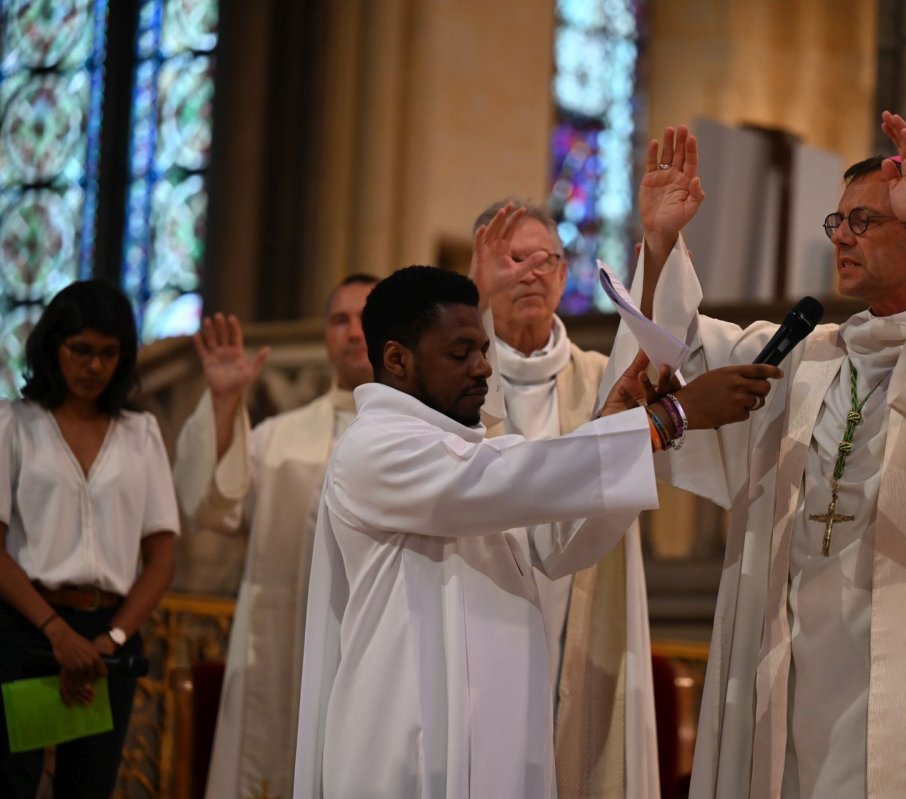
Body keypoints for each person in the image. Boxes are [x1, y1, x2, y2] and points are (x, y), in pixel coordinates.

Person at [602, 112, 906, 798]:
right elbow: (673, 350)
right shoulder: (805, 357)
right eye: (837, 222)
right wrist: (661, 242)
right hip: (782, 672)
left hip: (895, 683)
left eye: (865, 221)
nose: (842, 236)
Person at [293, 262, 780, 798]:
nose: (482, 368)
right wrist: (668, 418)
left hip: (497, 738)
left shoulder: (466, 454)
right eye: (460, 354)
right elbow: (505, 480)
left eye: (483, 349)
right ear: (396, 360)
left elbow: (554, 543)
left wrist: (609, 427)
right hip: (404, 745)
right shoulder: (375, 447)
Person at [471, 198, 658, 797]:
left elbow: (665, 347)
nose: (528, 272)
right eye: (509, 258)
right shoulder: (454, 379)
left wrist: (659, 253)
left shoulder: (605, 377)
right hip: (484, 608)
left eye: (542, 259)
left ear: (562, 272)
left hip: (576, 604)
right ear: (479, 274)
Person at [172, 273, 377, 799]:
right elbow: (215, 506)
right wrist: (224, 404)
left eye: (365, 317)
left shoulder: (422, 433)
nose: (354, 332)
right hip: (285, 644)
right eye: (339, 320)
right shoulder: (277, 436)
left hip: (377, 648)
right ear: (325, 336)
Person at [0, 280, 180, 798]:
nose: (94, 366)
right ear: (53, 347)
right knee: (14, 784)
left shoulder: (140, 433)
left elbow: (162, 559)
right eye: (81, 349)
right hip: (29, 628)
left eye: (108, 353)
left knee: (88, 789)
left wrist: (111, 639)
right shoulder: (16, 425)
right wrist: (57, 632)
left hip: (108, 636)